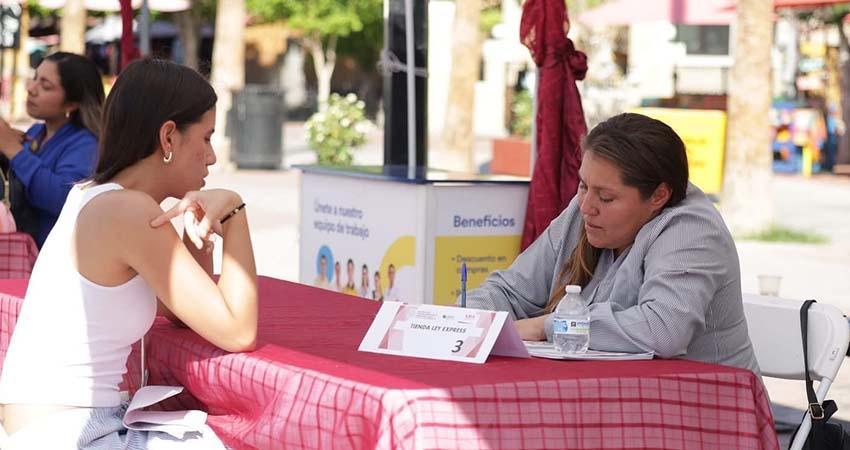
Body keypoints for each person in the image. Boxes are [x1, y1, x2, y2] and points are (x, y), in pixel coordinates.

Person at [0, 58, 257, 447]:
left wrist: (197, 228)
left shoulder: (94, 195)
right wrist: (235, 211)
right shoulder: (128, 210)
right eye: (206, 138)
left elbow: (185, 314)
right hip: (69, 432)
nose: (212, 157)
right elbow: (238, 331)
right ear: (168, 137)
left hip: (56, 423)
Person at [466, 113, 759, 373]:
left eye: (607, 197)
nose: (587, 206)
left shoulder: (691, 230)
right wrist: (472, 323)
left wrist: (549, 326)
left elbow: (663, 329)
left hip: (702, 413)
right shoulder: (582, 209)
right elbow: (509, 290)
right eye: (583, 186)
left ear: (659, 196)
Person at [0, 52, 104, 248]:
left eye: (45, 86)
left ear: (72, 104)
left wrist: (14, 150)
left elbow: (62, 199)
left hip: (57, 259)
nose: (31, 89)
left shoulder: (86, 144)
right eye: (34, 79)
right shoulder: (36, 132)